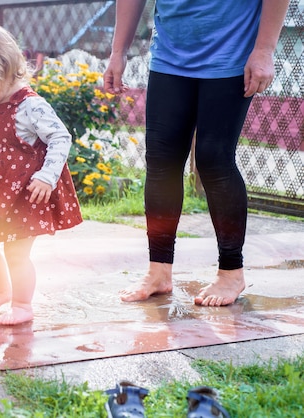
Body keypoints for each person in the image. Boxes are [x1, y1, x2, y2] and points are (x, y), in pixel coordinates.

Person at [103, 0, 289, 306]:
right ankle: (158, 272)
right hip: (169, 55)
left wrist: (265, 48)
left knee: (214, 160)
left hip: (232, 54)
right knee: (161, 162)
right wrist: (117, 51)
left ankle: (231, 272)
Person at [0, 22, 83, 325]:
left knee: (15, 252)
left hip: (25, 194)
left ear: (2, 69)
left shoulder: (31, 106)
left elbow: (61, 138)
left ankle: (23, 305)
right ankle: (2, 291)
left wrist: (47, 176)